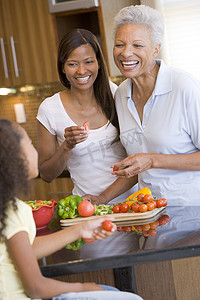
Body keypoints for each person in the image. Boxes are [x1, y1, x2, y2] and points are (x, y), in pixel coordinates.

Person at [0, 119, 143, 300]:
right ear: (15, 157)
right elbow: (36, 288)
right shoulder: (11, 211)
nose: (35, 150)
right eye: (29, 143)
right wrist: (84, 287)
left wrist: (81, 229)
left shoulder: (8, 208)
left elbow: (27, 249)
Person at [96, 4, 200, 206]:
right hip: (151, 213)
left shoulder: (183, 87)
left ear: (155, 49)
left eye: (137, 45)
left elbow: (147, 160)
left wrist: (153, 160)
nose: (126, 53)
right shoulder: (122, 94)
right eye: (120, 44)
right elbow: (137, 166)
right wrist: (101, 199)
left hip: (193, 213)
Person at [37, 28, 136, 205]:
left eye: (88, 61)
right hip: (89, 211)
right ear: (63, 67)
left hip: (133, 206)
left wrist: (104, 197)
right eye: (73, 64)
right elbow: (46, 174)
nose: (81, 71)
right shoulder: (50, 109)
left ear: (98, 63)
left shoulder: (115, 94)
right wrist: (66, 147)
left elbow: (137, 155)